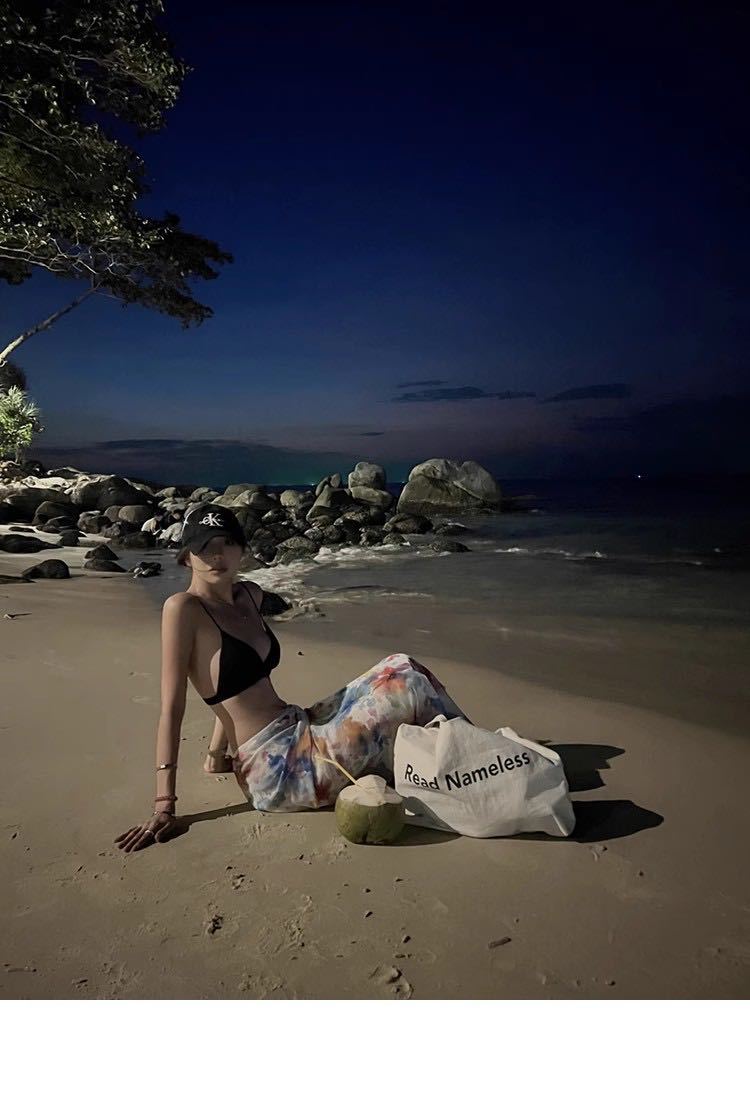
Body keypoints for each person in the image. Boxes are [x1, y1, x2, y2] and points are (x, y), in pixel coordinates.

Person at [115, 502, 470, 853]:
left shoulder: (249, 595)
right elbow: (172, 708)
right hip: (276, 768)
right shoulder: (184, 609)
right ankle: (471, 764)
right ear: (186, 556)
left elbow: (237, 679)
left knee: (401, 663)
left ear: (242, 550)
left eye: (227, 542)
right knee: (408, 688)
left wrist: (216, 754)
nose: (217, 555)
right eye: (204, 546)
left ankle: (464, 754)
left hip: (299, 725)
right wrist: (164, 804)